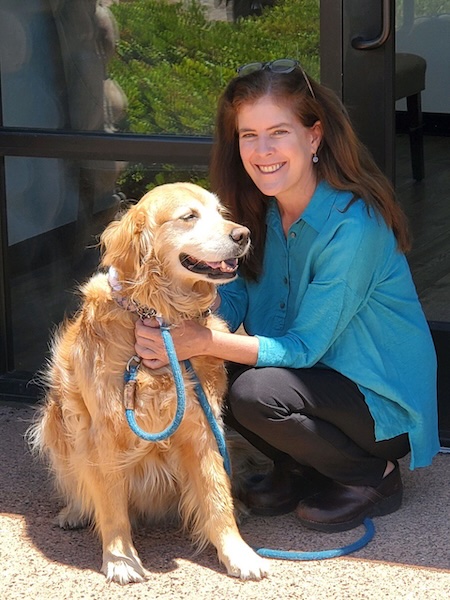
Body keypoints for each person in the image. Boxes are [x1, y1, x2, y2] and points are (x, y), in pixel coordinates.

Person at [134, 59, 439, 533]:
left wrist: (202, 341)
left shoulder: (352, 226)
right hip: (316, 381)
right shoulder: (262, 213)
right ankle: (300, 467)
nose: (262, 150)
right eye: (248, 135)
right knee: (219, 372)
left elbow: (301, 349)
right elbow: (232, 302)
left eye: (278, 132)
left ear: (313, 137)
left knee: (254, 391)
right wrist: (169, 316)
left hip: (379, 402)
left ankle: (372, 478)